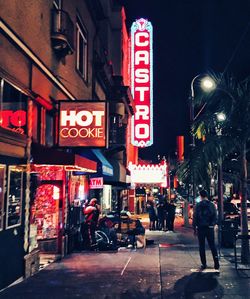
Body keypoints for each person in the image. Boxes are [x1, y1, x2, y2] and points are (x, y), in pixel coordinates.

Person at [192, 189, 220, 271]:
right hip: (209, 228)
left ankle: (204, 264)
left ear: (200, 196)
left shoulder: (198, 205)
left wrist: (194, 228)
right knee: (212, 246)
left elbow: (195, 217)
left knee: (202, 246)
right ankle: (216, 263)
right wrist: (212, 224)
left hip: (201, 228)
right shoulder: (212, 205)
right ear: (207, 195)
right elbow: (215, 216)